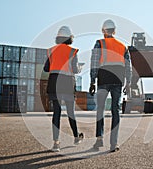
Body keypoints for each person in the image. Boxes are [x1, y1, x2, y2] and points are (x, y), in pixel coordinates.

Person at [89, 19, 132, 152]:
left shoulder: (99, 43)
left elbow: (94, 62)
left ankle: (99, 139)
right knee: (115, 110)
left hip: (103, 79)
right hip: (118, 80)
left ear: (103, 31)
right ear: (114, 31)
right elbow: (128, 66)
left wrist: (92, 80)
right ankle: (114, 143)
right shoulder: (123, 46)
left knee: (100, 109)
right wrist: (128, 82)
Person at [44, 26, 84, 152]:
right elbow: (75, 69)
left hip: (54, 82)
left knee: (57, 112)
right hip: (67, 83)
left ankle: (56, 143)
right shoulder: (72, 51)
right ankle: (76, 137)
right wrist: (80, 67)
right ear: (70, 38)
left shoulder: (51, 50)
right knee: (71, 112)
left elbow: (46, 68)